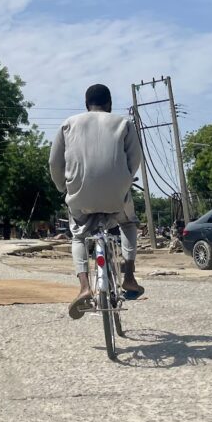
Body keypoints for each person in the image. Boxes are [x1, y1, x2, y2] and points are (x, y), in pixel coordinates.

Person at [49, 84, 144, 319]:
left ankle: (84, 288)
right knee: (128, 224)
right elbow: (135, 159)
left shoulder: (68, 124)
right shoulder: (123, 123)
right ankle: (129, 276)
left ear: (86, 106)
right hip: (116, 196)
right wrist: (124, 181)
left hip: (80, 196)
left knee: (79, 235)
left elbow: (54, 163)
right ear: (110, 104)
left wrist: (64, 187)